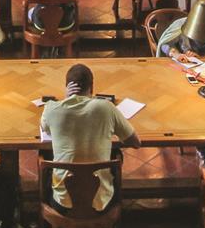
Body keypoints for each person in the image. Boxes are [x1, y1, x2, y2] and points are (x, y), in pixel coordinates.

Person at [39, 63, 138, 212]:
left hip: (63, 203)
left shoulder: (52, 108)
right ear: (91, 88)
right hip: (100, 203)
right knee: (116, 156)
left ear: (67, 87)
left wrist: (66, 99)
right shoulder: (106, 108)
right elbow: (135, 142)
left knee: (45, 155)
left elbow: (44, 128)